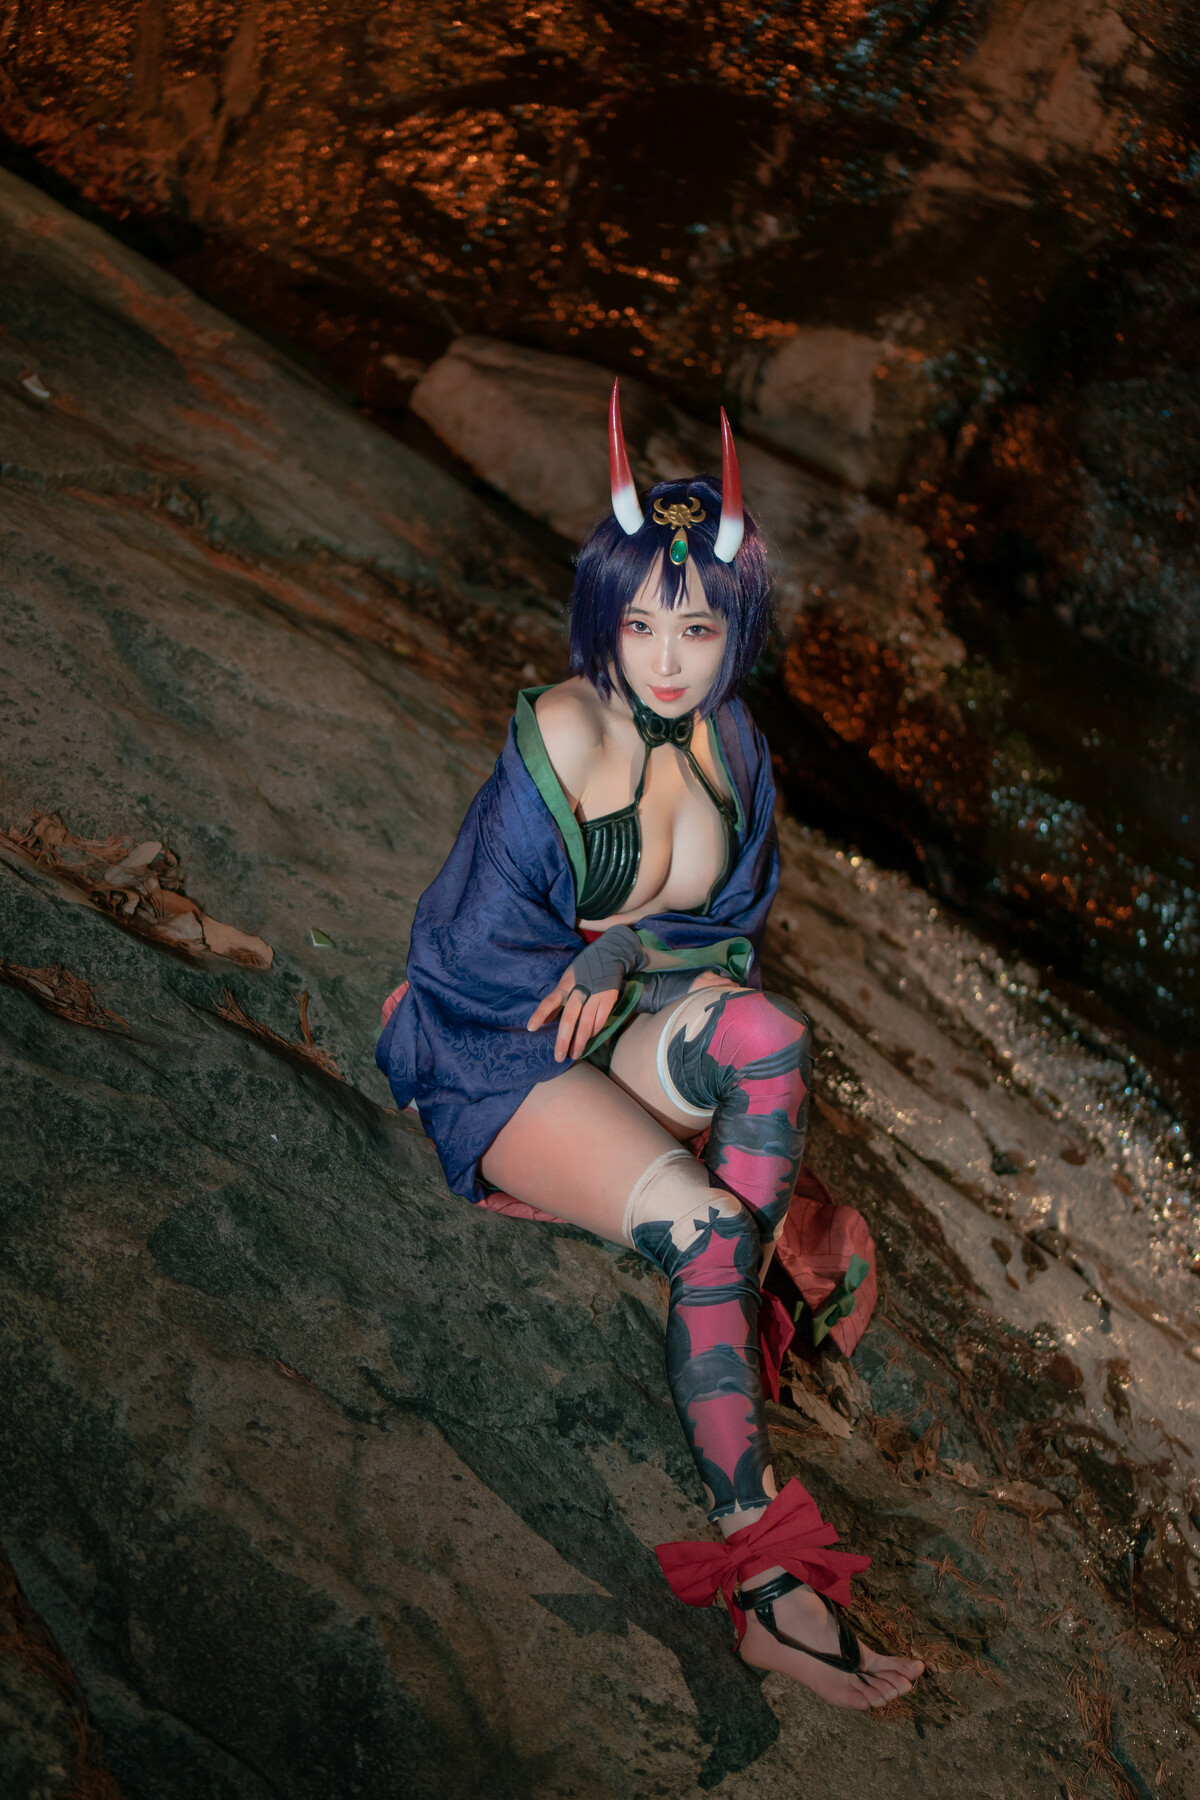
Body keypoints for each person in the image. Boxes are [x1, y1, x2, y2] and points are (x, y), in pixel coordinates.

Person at [377, 385, 923, 1709]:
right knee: (712, 1232)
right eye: (640, 624)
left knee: (773, 1035)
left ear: (738, 625)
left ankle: (729, 1343)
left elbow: (722, 939)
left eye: (698, 627)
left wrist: (620, 952)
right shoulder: (566, 734)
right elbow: (461, 950)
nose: (668, 660)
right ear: (602, 618)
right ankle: (767, 1583)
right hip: (495, 1046)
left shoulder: (736, 744)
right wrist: (579, 967)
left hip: (615, 1025)